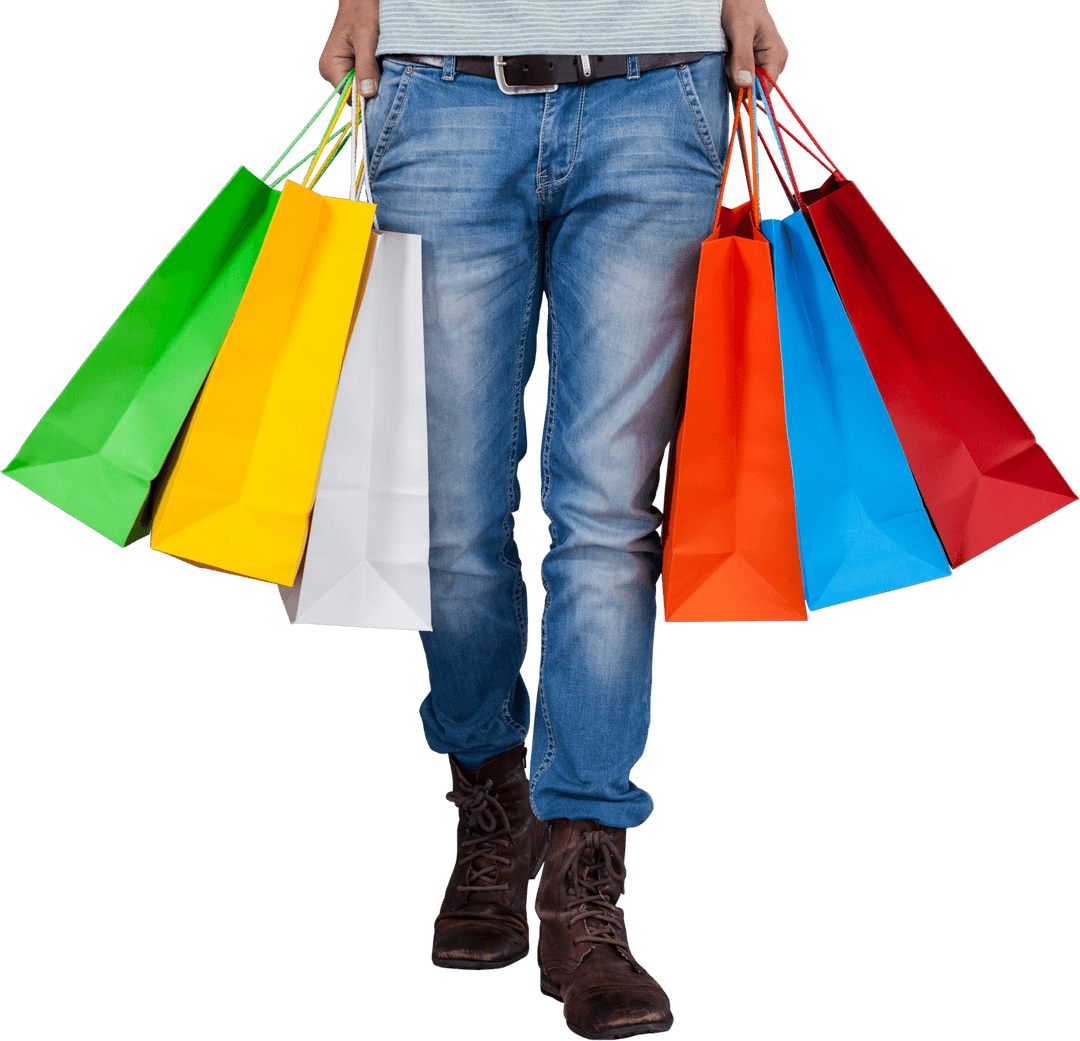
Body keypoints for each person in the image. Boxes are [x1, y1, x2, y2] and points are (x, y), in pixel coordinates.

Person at [318, 2, 788, 1037]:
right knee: (448, 509)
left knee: (610, 517)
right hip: (437, 87)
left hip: (658, 88)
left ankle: (584, 877)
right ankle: (493, 794)